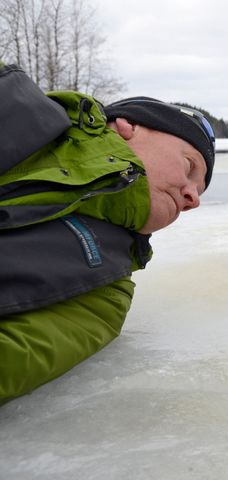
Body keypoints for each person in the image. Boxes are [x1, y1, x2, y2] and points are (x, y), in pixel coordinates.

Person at [0, 63, 215, 404]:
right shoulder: (15, 104)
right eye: (190, 167)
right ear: (127, 126)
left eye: (199, 192)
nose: (193, 198)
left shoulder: (105, 293)